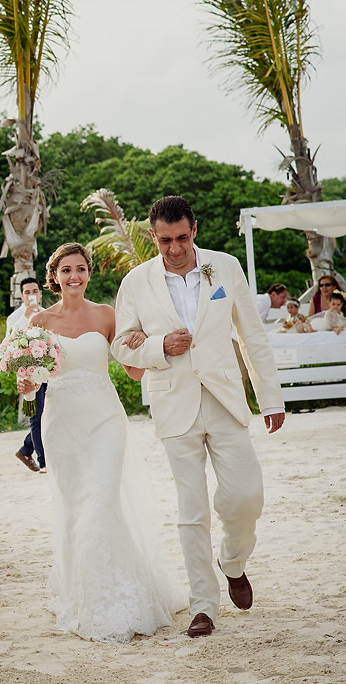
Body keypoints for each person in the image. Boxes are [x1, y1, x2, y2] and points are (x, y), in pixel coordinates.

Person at [111, 195, 285, 639]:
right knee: (191, 511)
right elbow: (122, 345)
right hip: (173, 403)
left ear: (195, 230)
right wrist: (158, 347)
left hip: (226, 399)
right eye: (165, 240)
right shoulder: (135, 281)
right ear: (152, 236)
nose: (174, 248)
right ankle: (203, 605)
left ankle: (233, 561)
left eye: (182, 238)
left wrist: (271, 399)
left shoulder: (224, 266)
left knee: (247, 495)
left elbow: (252, 334)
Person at [15, 243, 185, 642]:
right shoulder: (39, 320)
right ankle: (86, 593)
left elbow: (132, 372)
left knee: (101, 503)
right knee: (77, 509)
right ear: (53, 275)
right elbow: (28, 385)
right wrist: (25, 385)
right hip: (61, 424)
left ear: (89, 273)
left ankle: (119, 597)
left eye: (81, 269)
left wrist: (148, 342)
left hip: (105, 419)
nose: (75, 276)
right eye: (66, 270)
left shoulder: (107, 315)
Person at [6, 277, 47, 472]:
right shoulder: (15, 318)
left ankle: (25, 449)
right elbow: (10, 344)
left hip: (49, 371)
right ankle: (44, 460)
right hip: (28, 375)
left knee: (50, 415)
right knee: (37, 416)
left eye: (35, 291)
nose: (32, 295)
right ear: (21, 295)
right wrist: (27, 317)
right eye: (27, 292)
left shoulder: (49, 313)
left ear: (40, 293)